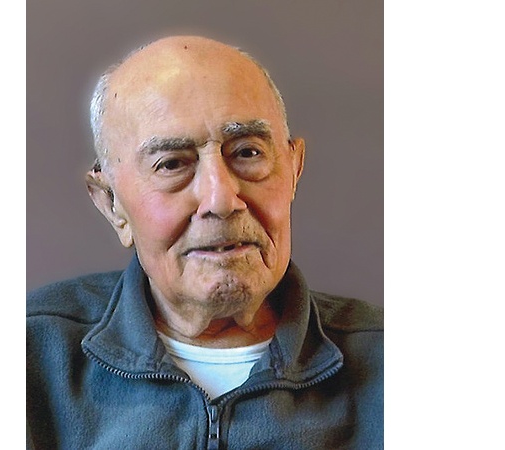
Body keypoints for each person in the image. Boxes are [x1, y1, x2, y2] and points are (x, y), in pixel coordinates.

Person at [27, 35, 383, 450]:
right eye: (172, 164)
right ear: (111, 203)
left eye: (248, 153)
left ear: (293, 170)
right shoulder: (31, 357)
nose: (221, 199)